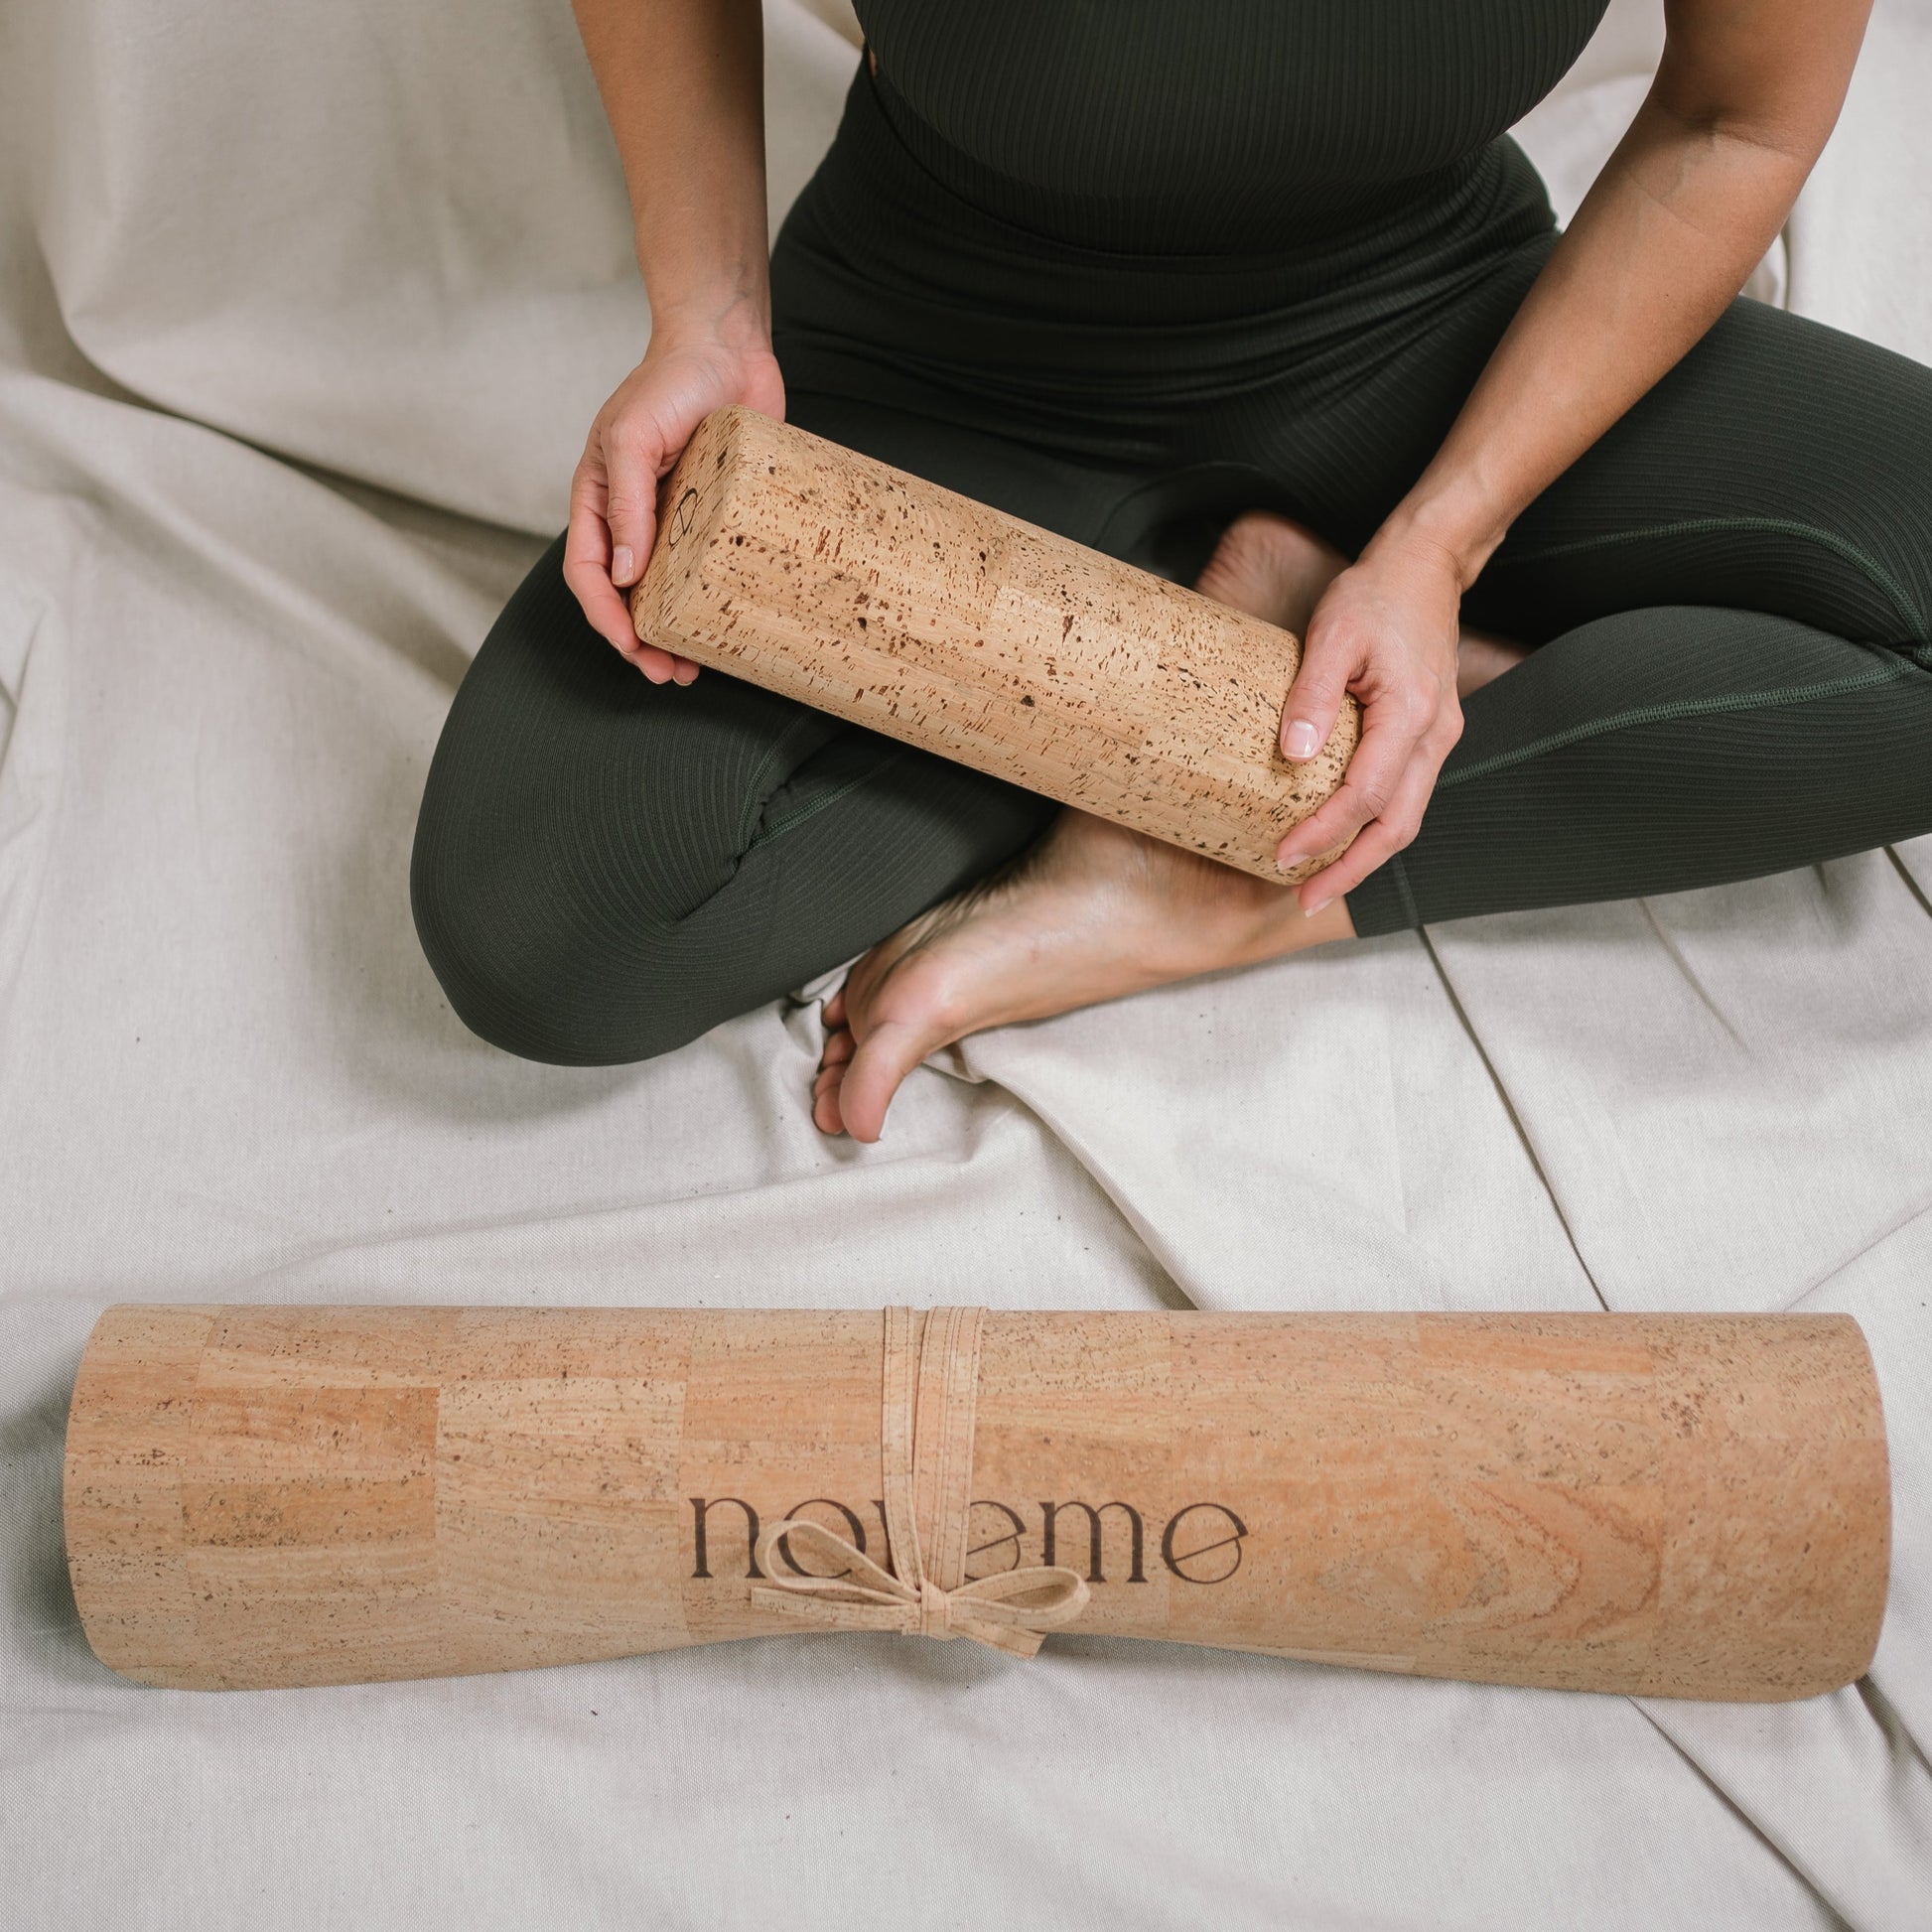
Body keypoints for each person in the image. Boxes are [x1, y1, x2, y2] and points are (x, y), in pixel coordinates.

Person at [411, 0, 1929, 1144]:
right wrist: (704, 313)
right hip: (943, 354)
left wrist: (1437, 541)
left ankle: (1219, 879)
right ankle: (1200, 682)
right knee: (551, 933)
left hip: (1428, 335)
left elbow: (1736, 118)